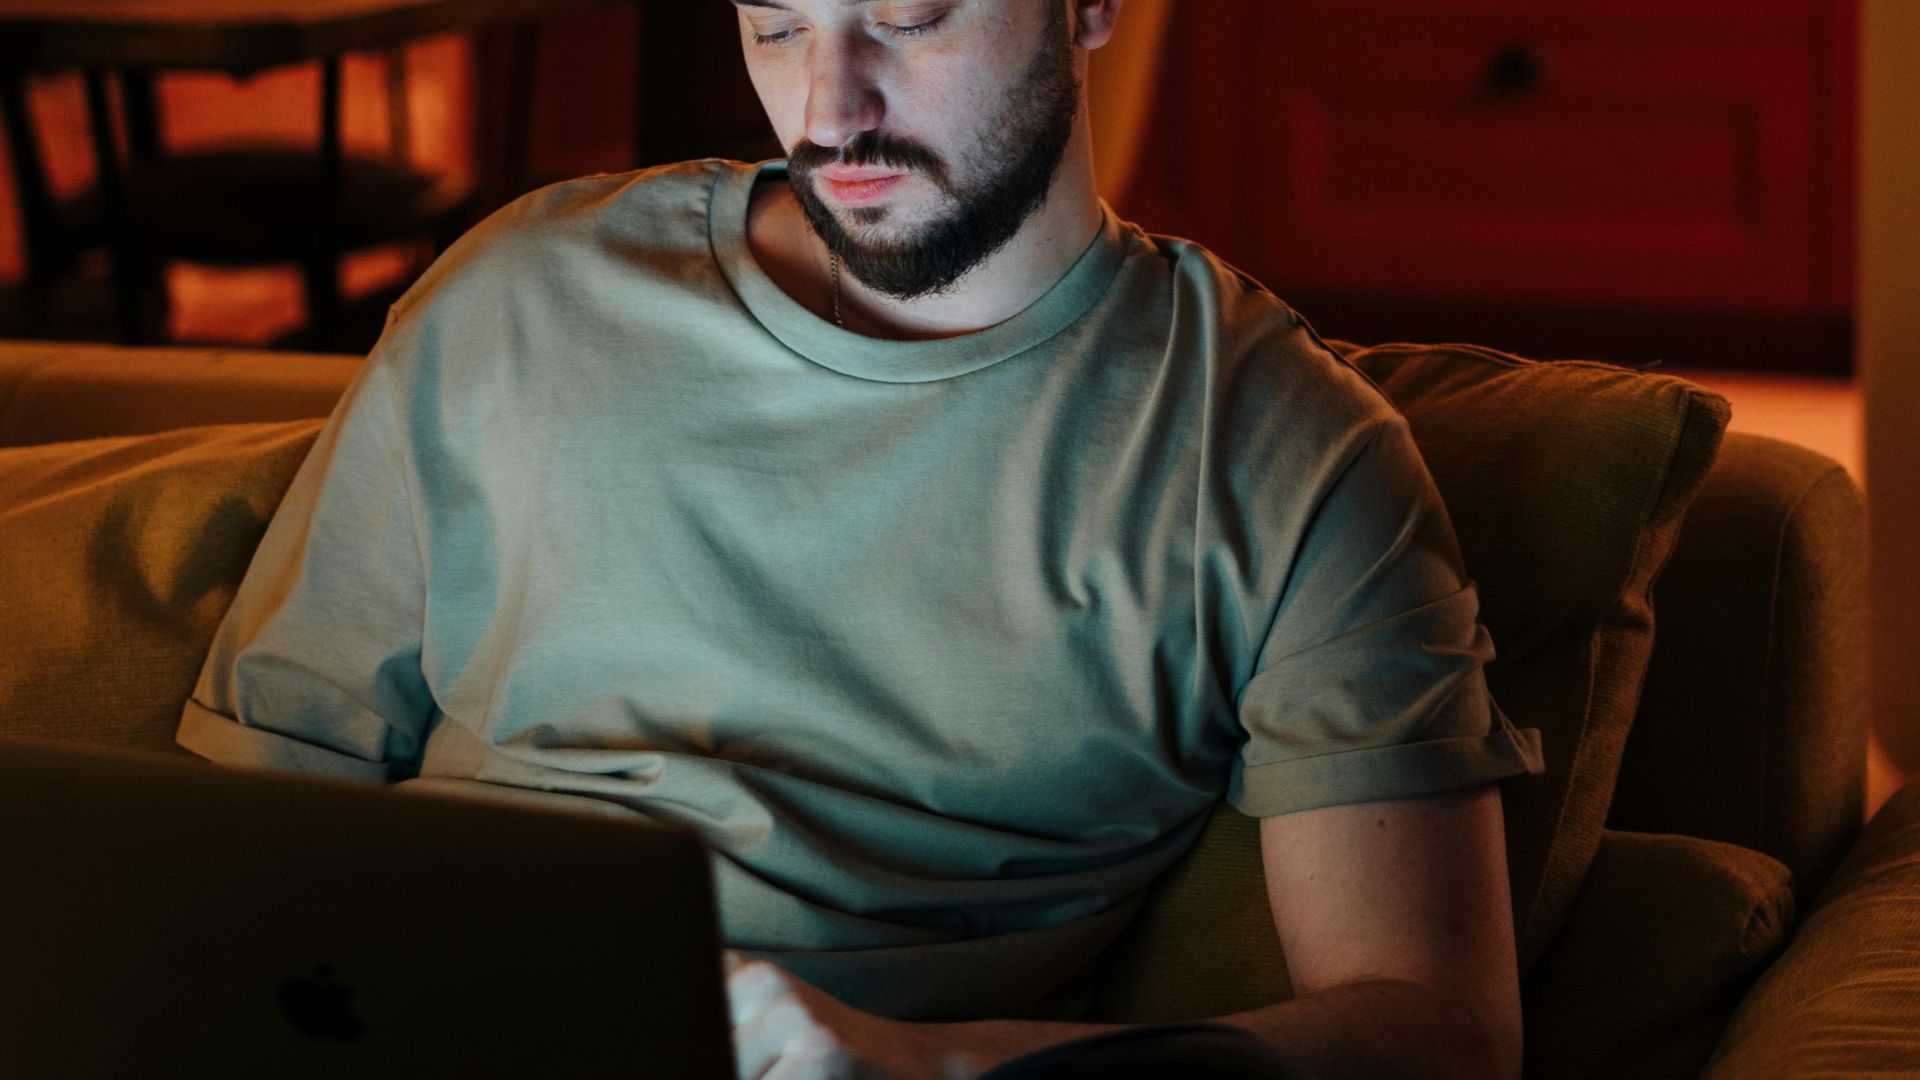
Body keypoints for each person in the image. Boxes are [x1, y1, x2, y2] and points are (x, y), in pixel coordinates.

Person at [176, 0, 1547, 1075]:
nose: (830, 110)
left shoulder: (1284, 451)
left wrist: (929, 1069)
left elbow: (1438, 1036)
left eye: (907, 15)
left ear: (1090, 4)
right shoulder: (520, 294)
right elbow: (232, 824)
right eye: (775, 23)